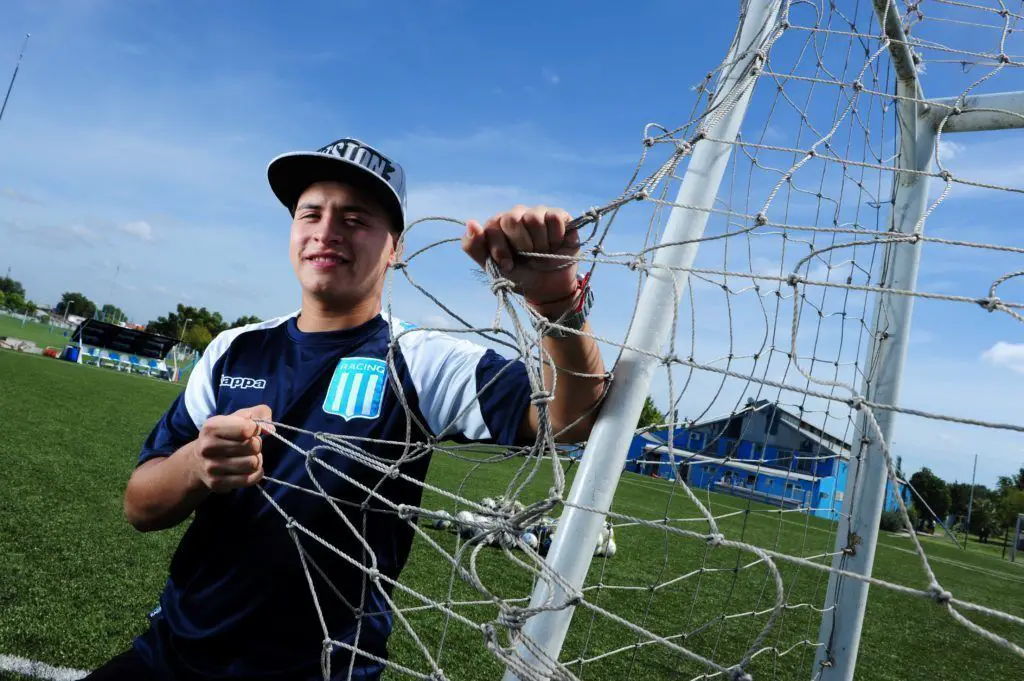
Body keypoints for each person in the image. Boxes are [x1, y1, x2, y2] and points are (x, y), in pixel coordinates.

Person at [85, 137, 607, 681]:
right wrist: (196, 465)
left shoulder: (420, 360)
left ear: (395, 247)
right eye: (311, 212)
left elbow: (572, 417)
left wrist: (555, 302)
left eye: (355, 218)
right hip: (171, 653)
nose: (326, 229)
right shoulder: (234, 349)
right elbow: (140, 508)